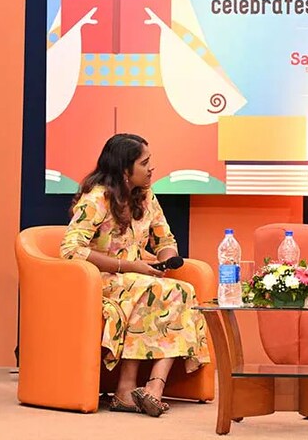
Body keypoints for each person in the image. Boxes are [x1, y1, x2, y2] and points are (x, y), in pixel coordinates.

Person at [60, 133, 210, 417]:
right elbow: (70, 250)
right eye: (145, 162)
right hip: (99, 280)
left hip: (136, 278)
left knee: (183, 290)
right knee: (151, 289)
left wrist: (167, 260)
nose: (151, 168)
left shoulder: (147, 197)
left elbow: (164, 240)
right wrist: (128, 267)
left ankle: (153, 388)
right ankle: (127, 388)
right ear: (124, 169)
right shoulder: (96, 198)